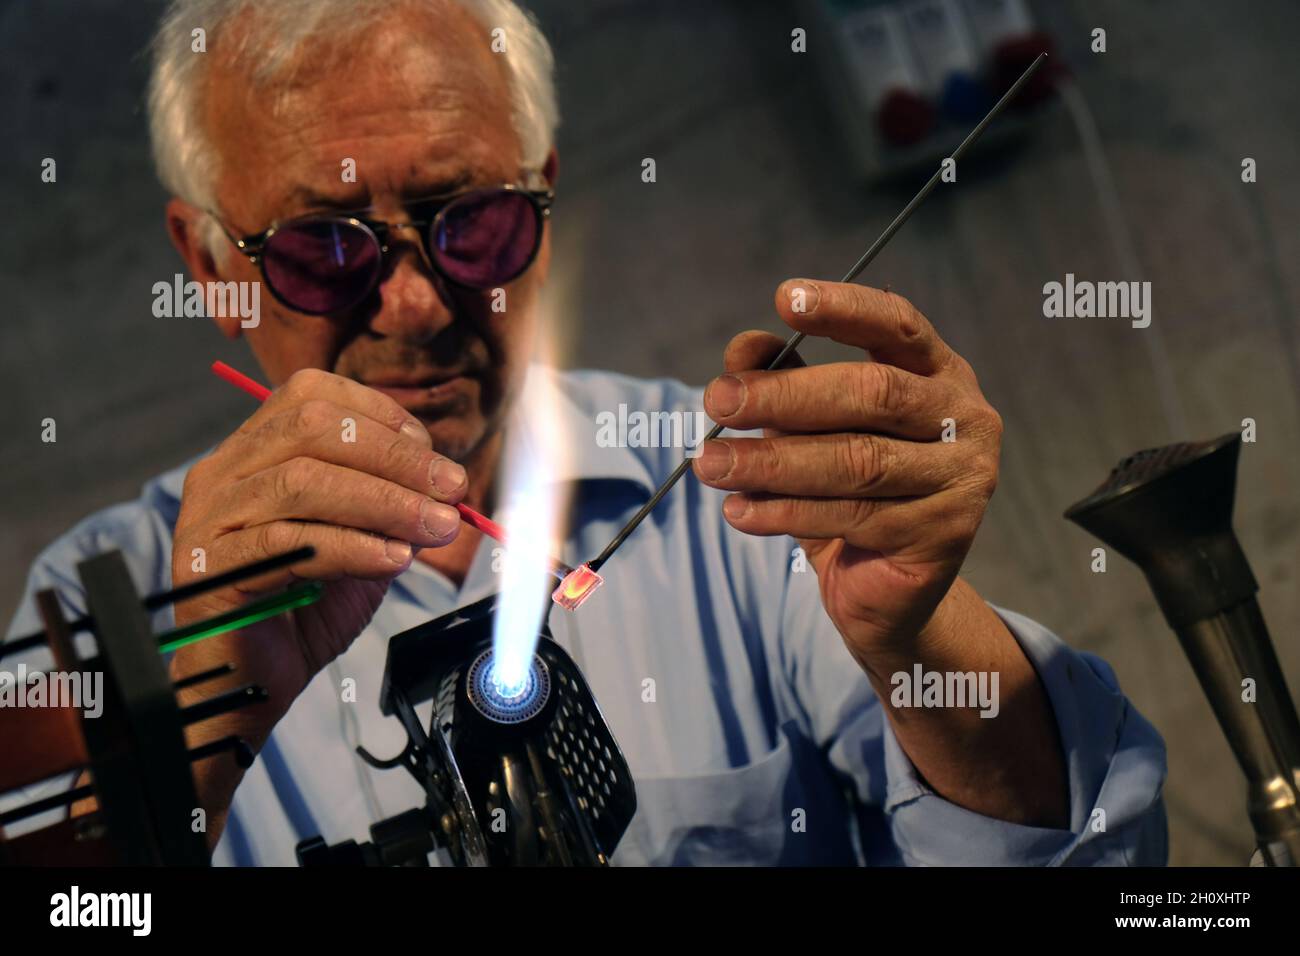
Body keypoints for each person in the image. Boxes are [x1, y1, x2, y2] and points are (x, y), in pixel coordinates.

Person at [5, 0, 1166, 865]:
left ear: (544, 205)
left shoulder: (734, 493)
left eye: (475, 224)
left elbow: (1098, 857)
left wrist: (920, 633)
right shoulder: (106, 600)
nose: (412, 305)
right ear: (210, 265)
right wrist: (196, 735)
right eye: (327, 245)